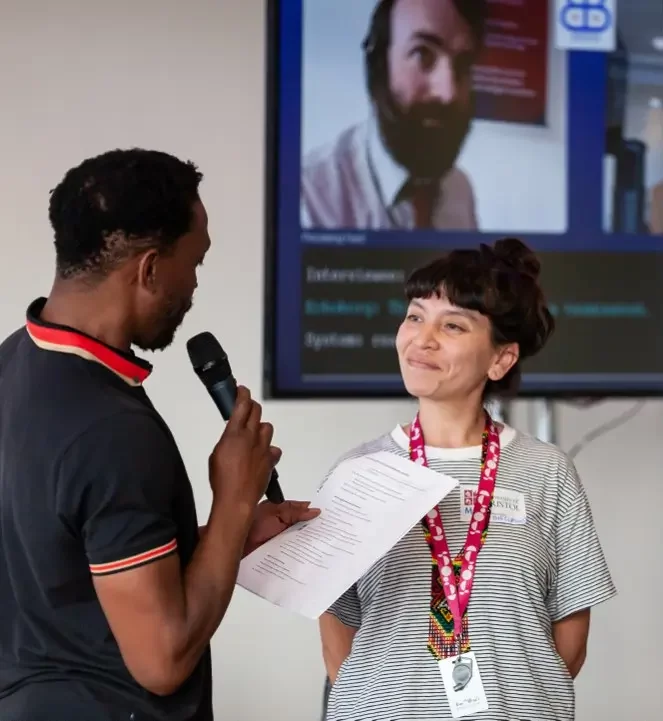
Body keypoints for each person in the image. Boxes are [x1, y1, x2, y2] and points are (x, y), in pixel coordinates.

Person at [0, 148, 318, 721]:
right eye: (194, 262)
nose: (195, 285)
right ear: (149, 270)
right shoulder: (111, 432)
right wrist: (233, 497)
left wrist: (224, 535)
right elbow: (163, 659)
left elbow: (71, 562)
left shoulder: (12, 366)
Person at [318, 238, 617, 720]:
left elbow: (570, 636)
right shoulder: (358, 472)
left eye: (452, 325)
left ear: (501, 359)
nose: (423, 338)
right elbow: (337, 631)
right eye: (415, 316)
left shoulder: (547, 471)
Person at [301, 0, 483, 231]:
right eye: (422, 54)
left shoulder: (460, 189)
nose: (448, 93)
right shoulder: (309, 198)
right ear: (378, 66)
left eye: (463, 63)